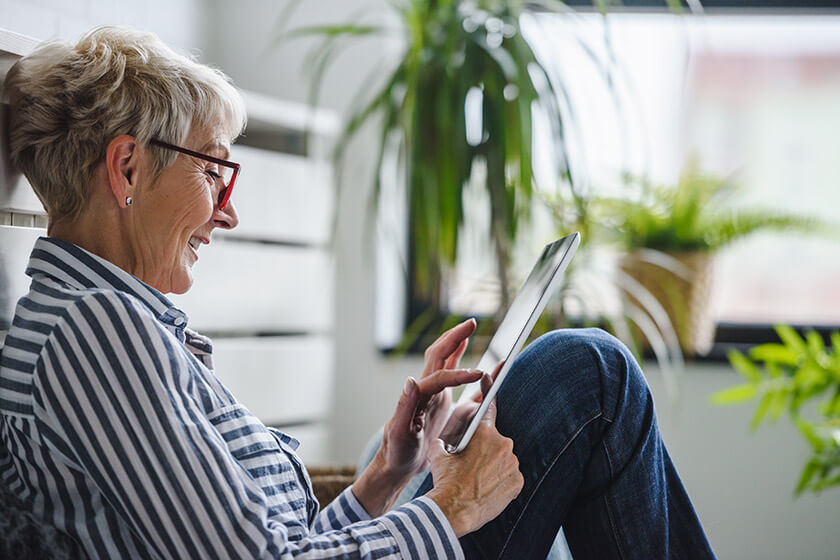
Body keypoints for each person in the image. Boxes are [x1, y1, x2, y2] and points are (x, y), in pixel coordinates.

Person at [0, 26, 715, 559]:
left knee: (563, 380)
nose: (229, 209)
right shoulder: (94, 331)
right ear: (126, 169)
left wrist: (385, 476)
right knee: (588, 372)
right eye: (215, 170)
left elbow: (269, 542)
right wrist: (453, 504)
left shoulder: (110, 324)